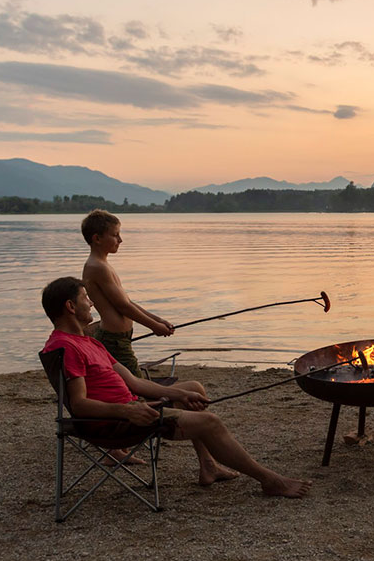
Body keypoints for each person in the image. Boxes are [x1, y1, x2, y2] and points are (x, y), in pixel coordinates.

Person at [41, 276, 310, 498]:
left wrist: (180, 393)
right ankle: (269, 480)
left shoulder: (91, 343)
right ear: (70, 306)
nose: (91, 303)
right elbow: (79, 405)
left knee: (193, 386)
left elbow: (134, 382)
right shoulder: (66, 346)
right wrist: (126, 411)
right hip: (115, 423)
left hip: (132, 409)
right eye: (86, 298)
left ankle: (208, 466)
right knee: (210, 422)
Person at [81, 209, 175, 378]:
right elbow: (123, 306)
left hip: (119, 338)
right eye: (115, 235)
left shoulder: (103, 265)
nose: (120, 240)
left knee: (129, 382)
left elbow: (127, 302)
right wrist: (154, 327)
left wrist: (158, 320)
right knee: (137, 384)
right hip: (113, 339)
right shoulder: (97, 267)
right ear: (97, 238)